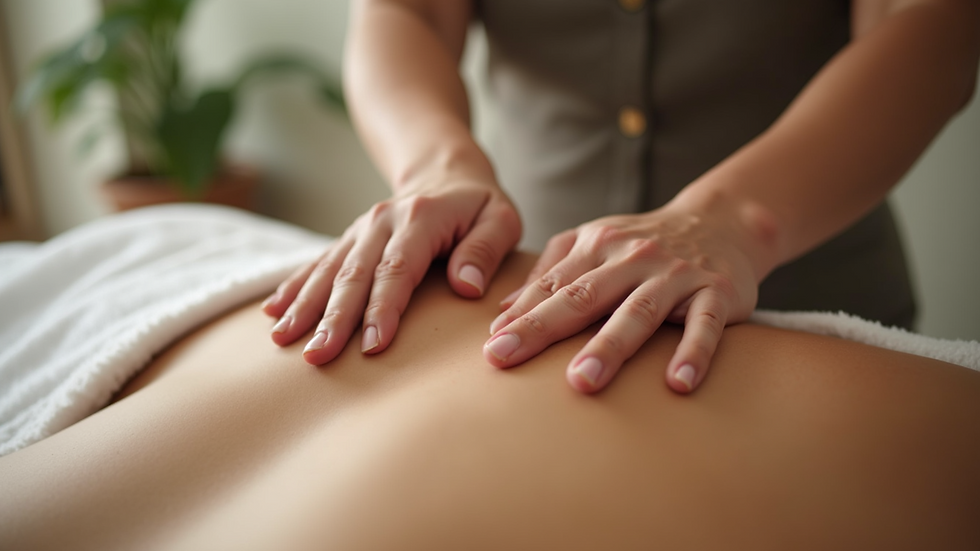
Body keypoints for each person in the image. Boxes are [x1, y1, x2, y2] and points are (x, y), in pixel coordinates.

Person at [2, 253, 979, 550]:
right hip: (446, 263)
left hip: (799, 259)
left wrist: (747, 212)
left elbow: (918, 35)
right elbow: (408, 18)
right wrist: (434, 159)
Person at [263, 0, 980, 395]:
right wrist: (436, 165)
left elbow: (931, 27)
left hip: (816, 300)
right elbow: (408, 12)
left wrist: (732, 220)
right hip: (531, 291)